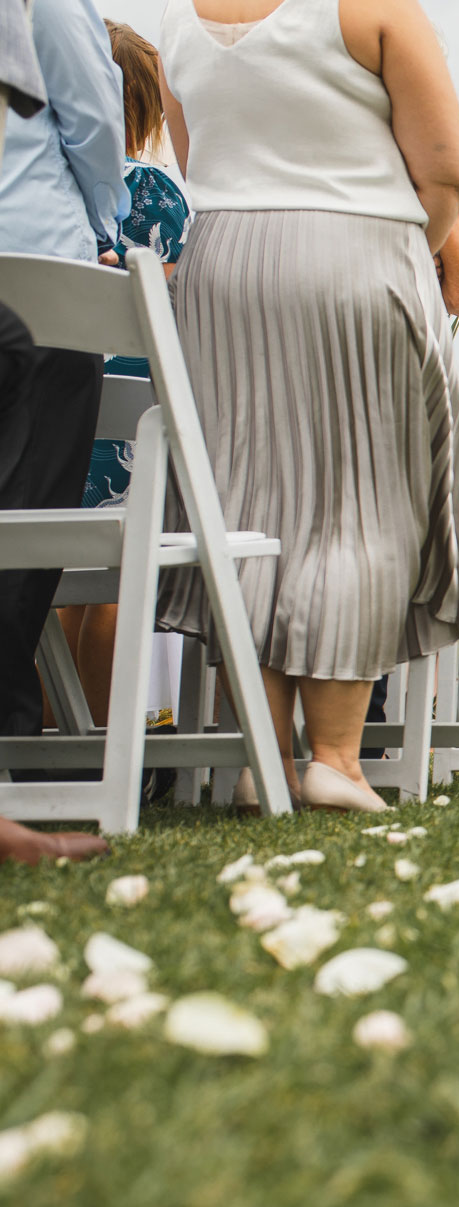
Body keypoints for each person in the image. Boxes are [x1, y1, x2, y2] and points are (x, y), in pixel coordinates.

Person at [156, 0, 459, 813]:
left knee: (243, 507)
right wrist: (407, 245)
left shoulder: (175, 24)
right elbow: (446, 171)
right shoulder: (371, 7)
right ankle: (335, 756)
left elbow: (202, 166)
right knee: (358, 505)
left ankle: (257, 760)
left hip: (221, 269)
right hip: (356, 249)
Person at [60, 20, 193, 731]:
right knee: (116, 582)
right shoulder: (161, 195)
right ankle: (112, 745)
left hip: (65, 405)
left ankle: (56, 733)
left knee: (61, 583)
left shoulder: (59, 193)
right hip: (136, 418)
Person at [0, 0, 124, 749]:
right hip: (39, 273)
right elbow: (91, 115)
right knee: (30, 511)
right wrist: (102, 221)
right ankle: (9, 728)